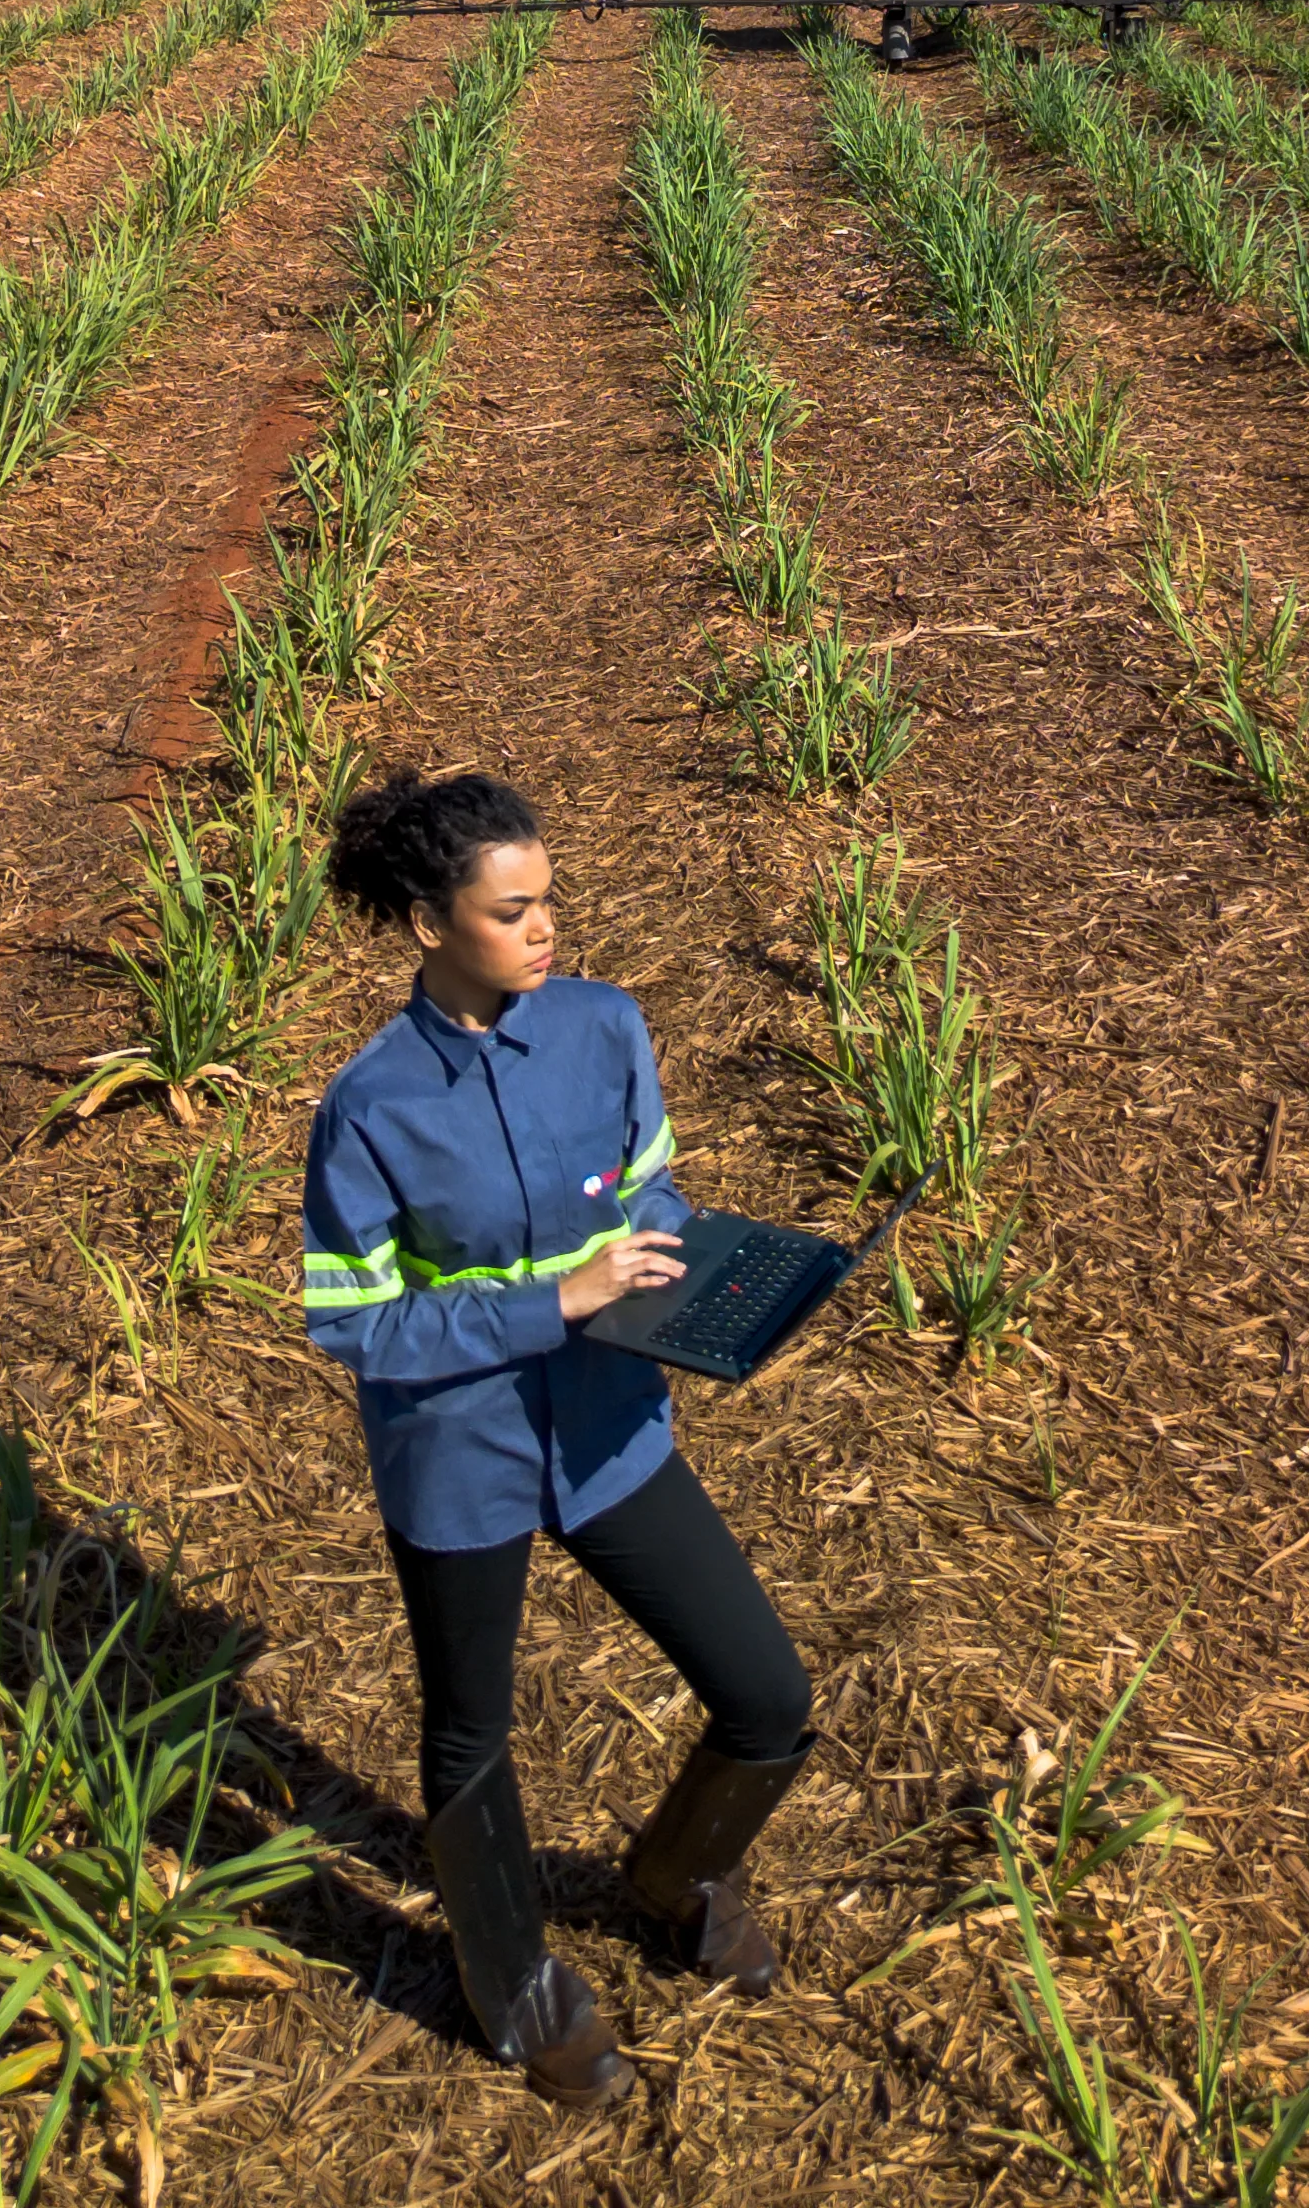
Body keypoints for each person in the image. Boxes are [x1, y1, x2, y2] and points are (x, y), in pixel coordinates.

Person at [302, 768, 815, 2112]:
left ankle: (674, 1877)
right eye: (511, 910)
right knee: (471, 1738)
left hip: (609, 1432)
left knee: (765, 1697)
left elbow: (648, 1195)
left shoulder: (604, 1028)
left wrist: (722, 1290)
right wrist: (555, 1300)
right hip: (456, 1454)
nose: (545, 931)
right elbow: (359, 1327)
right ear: (428, 923)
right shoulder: (369, 1108)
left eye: (549, 904)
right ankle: (515, 1990)